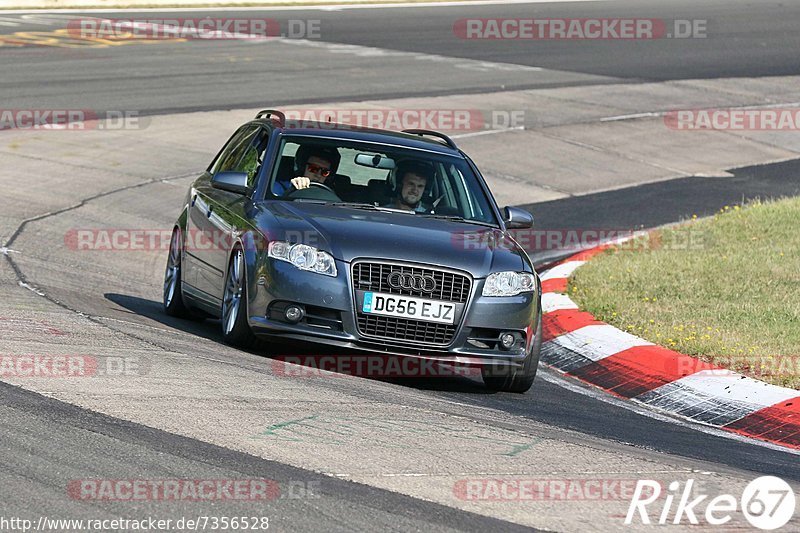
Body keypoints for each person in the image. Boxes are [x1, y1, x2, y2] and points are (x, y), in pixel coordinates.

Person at [273, 144, 341, 196]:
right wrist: (292, 188)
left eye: (324, 172)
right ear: (302, 168)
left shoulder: (331, 198)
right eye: (314, 168)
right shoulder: (278, 188)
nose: (318, 175)